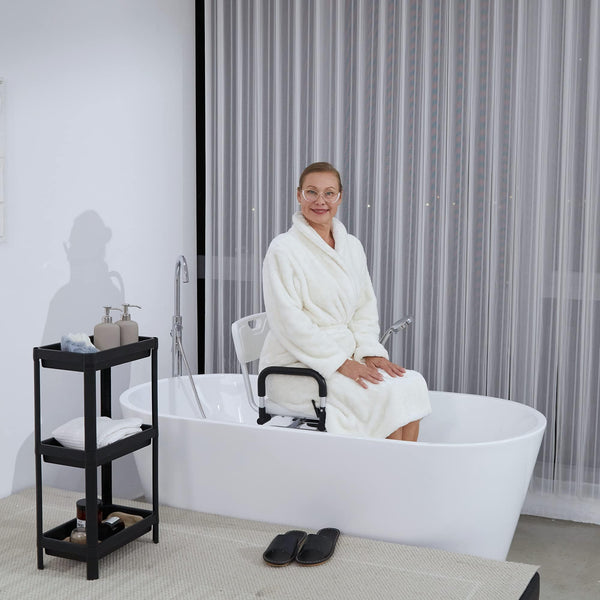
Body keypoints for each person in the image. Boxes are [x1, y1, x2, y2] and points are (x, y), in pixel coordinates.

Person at [258, 162, 431, 441]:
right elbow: (288, 322)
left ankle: (402, 467)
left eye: (329, 193)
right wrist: (339, 362)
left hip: (343, 355)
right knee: (381, 397)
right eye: (312, 192)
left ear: (340, 197)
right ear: (299, 195)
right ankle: (384, 468)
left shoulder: (351, 246)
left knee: (410, 385)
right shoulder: (283, 249)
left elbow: (364, 308)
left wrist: (369, 351)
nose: (320, 201)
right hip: (297, 366)